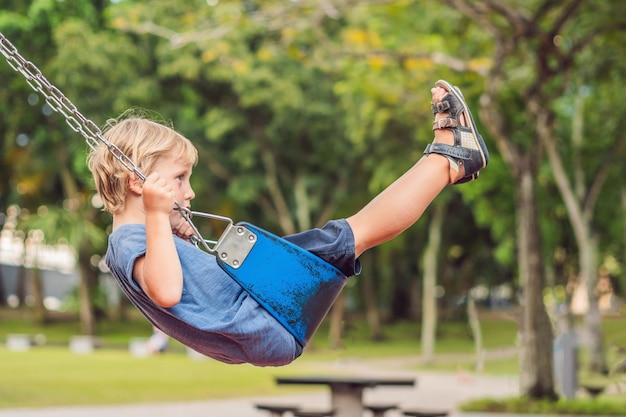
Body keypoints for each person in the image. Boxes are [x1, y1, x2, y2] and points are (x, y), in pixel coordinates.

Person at [87, 80, 488, 367]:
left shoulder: (134, 240)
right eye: (179, 179)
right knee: (350, 234)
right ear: (137, 182)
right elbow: (167, 290)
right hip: (261, 314)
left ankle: (448, 160)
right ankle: (451, 158)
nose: (189, 193)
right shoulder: (128, 242)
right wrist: (159, 218)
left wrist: (171, 231)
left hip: (261, 319)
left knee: (347, 238)